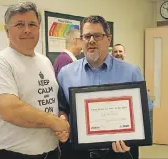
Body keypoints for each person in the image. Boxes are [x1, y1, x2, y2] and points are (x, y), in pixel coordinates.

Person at [0, 1, 69, 159]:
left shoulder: (45, 61)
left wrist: (62, 120)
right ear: (7, 31)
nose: (27, 30)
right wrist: (53, 122)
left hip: (51, 151)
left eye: (32, 24)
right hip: (14, 154)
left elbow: (50, 101)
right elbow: (11, 110)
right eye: (20, 24)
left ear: (39, 29)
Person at [57, 15, 153, 159]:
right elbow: (62, 108)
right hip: (77, 152)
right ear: (81, 39)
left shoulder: (131, 72)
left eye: (97, 36)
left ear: (109, 39)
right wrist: (62, 121)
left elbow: (145, 111)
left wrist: (133, 139)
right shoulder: (66, 73)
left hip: (119, 151)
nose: (91, 41)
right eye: (87, 36)